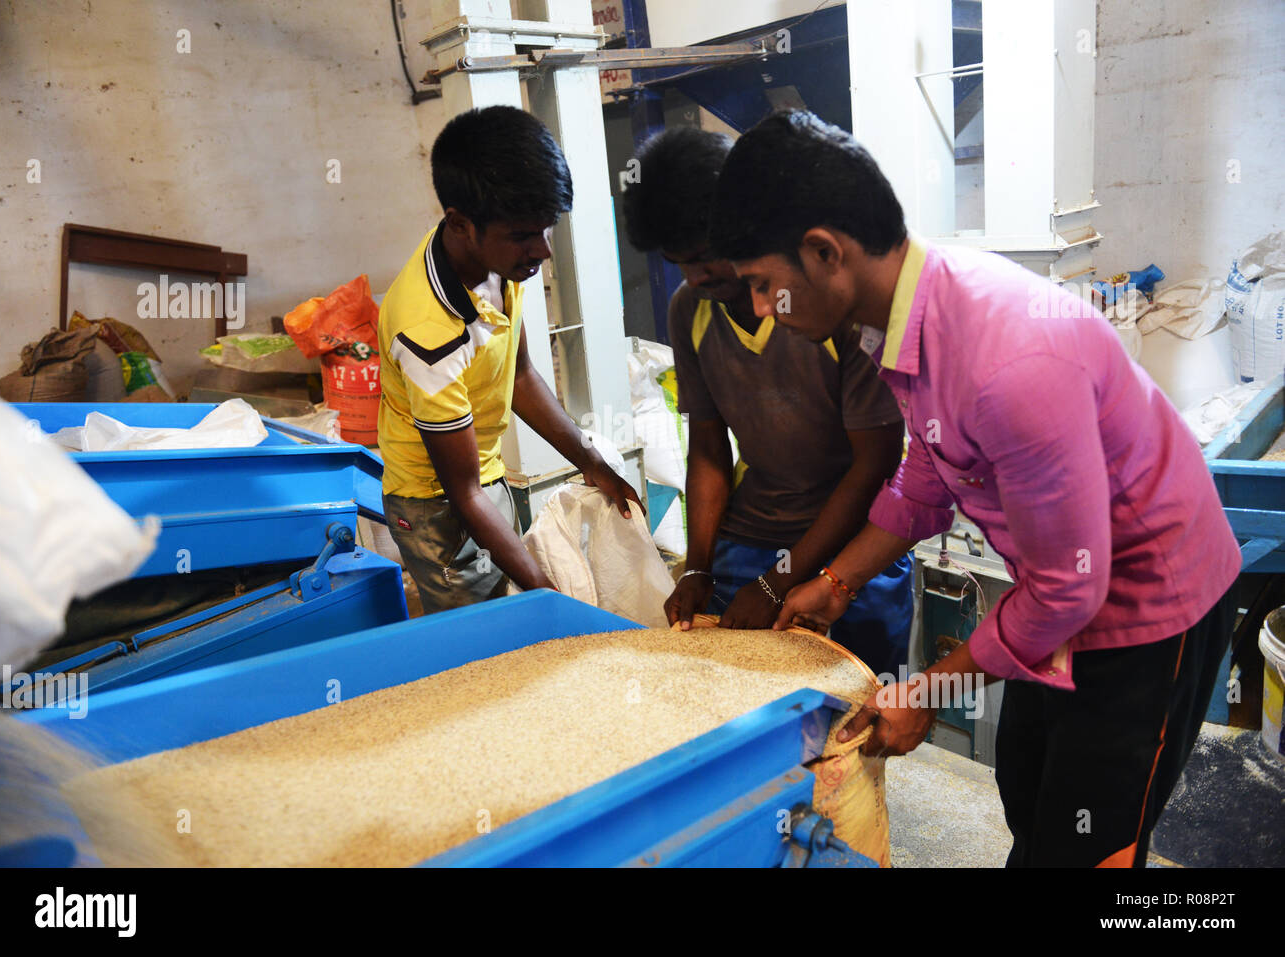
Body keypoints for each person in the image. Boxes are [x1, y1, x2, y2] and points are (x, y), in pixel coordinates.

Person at [712, 110, 1240, 868]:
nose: (761, 308)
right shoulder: (903, 318)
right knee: (1027, 788)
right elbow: (928, 473)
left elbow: (1067, 591)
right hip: (1061, 589)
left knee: (1089, 839)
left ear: (825, 252)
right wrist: (836, 579)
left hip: (1148, 608)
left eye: (765, 285)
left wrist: (926, 692)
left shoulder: (1006, 361)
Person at [622, 126, 912, 675]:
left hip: (855, 539)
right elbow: (708, 447)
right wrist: (698, 568)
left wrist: (781, 582)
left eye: (709, 255)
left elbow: (877, 465)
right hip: (753, 536)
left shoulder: (833, 305)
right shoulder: (691, 311)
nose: (698, 276)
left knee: (853, 720)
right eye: (679, 262)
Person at [378, 105, 642, 613]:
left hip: (480, 476)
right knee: (482, 637)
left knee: (510, 601)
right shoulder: (428, 332)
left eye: (547, 230)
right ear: (460, 223)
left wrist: (591, 462)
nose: (542, 251)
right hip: (434, 502)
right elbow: (463, 495)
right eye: (524, 235)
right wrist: (545, 594)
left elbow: (519, 377)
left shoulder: (498, 265)